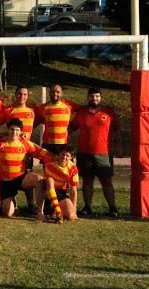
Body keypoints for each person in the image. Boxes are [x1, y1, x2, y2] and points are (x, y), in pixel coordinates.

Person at [0, 118, 52, 220]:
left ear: (20, 132)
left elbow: (39, 151)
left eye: (17, 130)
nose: (14, 132)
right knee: (8, 213)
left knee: (39, 180)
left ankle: (40, 212)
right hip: (6, 182)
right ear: (8, 130)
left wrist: (52, 157)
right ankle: (10, 200)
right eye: (12, 129)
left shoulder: (24, 143)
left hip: (21, 178)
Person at [70, 87, 121, 217]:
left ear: (100, 98)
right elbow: (71, 128)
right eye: (92, 96)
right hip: (84, 153)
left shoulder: (108, 113)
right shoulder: (81, 113)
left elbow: (117, 130)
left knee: (106, 181)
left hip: (103, 154)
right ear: (88, 97)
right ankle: (87, 207)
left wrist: (118, 146)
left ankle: (112, 208)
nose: (94, 98)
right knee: (87, 181)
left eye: (97, 96)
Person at [0, 85, 38, 212]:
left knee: (28, 174)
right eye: (20, 93)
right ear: (15, 95)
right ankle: (11, 199)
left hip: (26, 150)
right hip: (11, 148)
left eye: (25, 94)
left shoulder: (32, 111)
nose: (22, 96)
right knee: (11, 174)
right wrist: (4, 135)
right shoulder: (9, 111)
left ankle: (31, 204)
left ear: (28, 96)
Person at [36, 84, 79, 154]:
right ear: (49, 93)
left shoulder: (69, 105)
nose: (55, 94)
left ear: (61, 94)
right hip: (47, 144)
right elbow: (35, 121)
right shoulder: (43, 107)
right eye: (52, 92)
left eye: (58, 92)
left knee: (62, 161)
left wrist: (73, 127)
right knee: (47, 161)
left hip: (63, 144)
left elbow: (82, 112)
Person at [43, 144, 79, 222]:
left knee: (71, 216)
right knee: (49, 180)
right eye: (62, 154)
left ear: (71, 157)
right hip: (48, 192)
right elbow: (47, 184)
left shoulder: (73, 168)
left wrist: (74, 210)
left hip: (61, 192)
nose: (64, 157)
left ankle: (58, 211)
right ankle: (57, 211)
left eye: (67, 155)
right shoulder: (49, 165)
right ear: (59, 154)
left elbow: (73, 190)